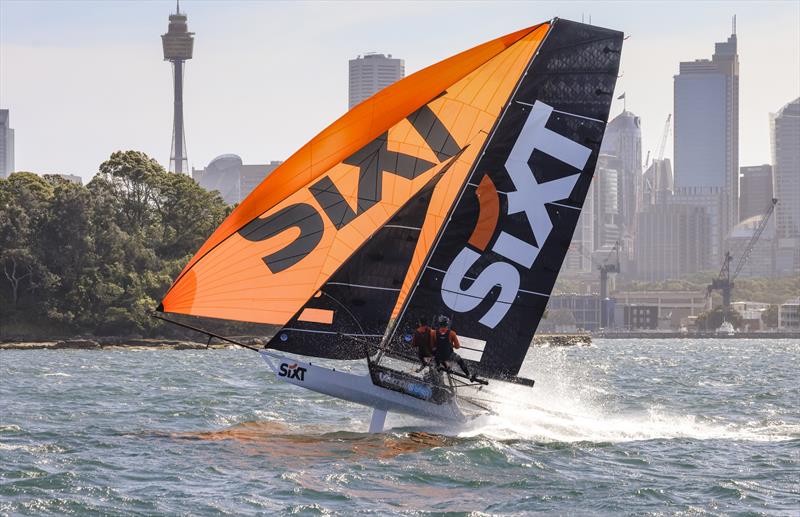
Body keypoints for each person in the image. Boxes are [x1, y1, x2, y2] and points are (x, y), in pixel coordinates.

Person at [433, 315, 474, 381]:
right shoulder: (452, 333)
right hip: (448, 355)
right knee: (459, 360)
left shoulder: (434, 333)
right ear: (447, 324)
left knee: (437, 354)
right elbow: (457, 347)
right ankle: (469, 375)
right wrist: (451, 345)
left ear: (439, 323)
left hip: (438, 357)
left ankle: (439, 366)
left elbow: (433, 345)